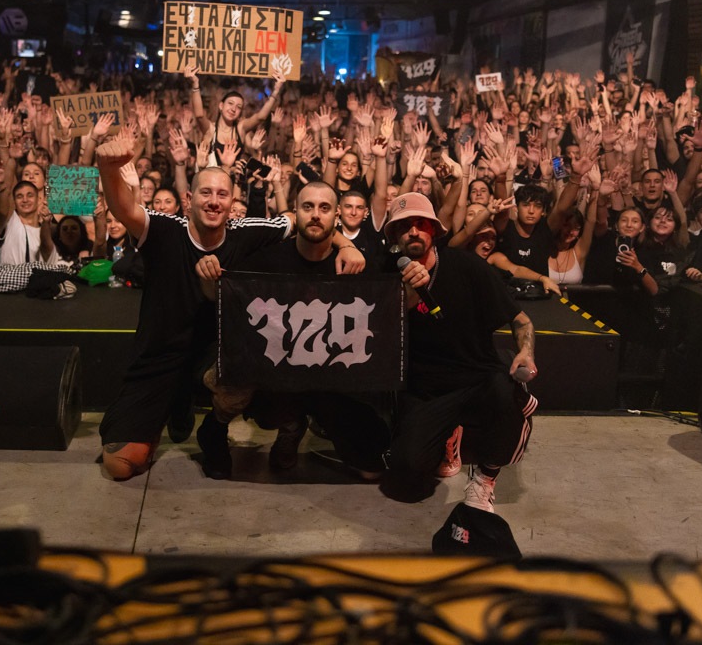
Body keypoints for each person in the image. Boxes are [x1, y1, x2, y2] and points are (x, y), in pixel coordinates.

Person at [93, 130, 364, 480]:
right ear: (189, 198)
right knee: (121, 465)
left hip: (215, 354)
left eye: (222, 194)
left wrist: (346, 245)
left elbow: (304, 219)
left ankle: (214, 430)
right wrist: (107, 167)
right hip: (159, 355)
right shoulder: (165, 229)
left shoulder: (245, 231)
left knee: (248, 376)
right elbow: (125, 208)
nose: (214, 201)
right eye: (205, 193)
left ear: (232, 200)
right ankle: (170, 407)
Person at [195, 181, 428, 480]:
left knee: (372, 470)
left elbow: (393, 308)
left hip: (333, 380)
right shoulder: (267, 259)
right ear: (296, 212)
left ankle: (302, 424)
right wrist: (207, 275)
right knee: (234, 379)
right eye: (308, 207)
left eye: (324, 208)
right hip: (277, 377)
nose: (316, 214)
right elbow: (221, 297)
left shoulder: (357, 265)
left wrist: (414, 287)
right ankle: (240, 428)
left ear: (336, 216)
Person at [380, 192, 538, 511]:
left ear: (434, 230)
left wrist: (526, 352)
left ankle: (485, 477)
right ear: (394, 236)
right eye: (404, 226)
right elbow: (380, 337)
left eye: (421, 224)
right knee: (407, 476)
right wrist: (406, 296)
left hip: (477, 377)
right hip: (426, 390)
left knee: (505, 396)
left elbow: (521, 320)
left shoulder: (467, 266)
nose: (413, 231)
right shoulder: (384, 275)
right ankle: (452, 435)